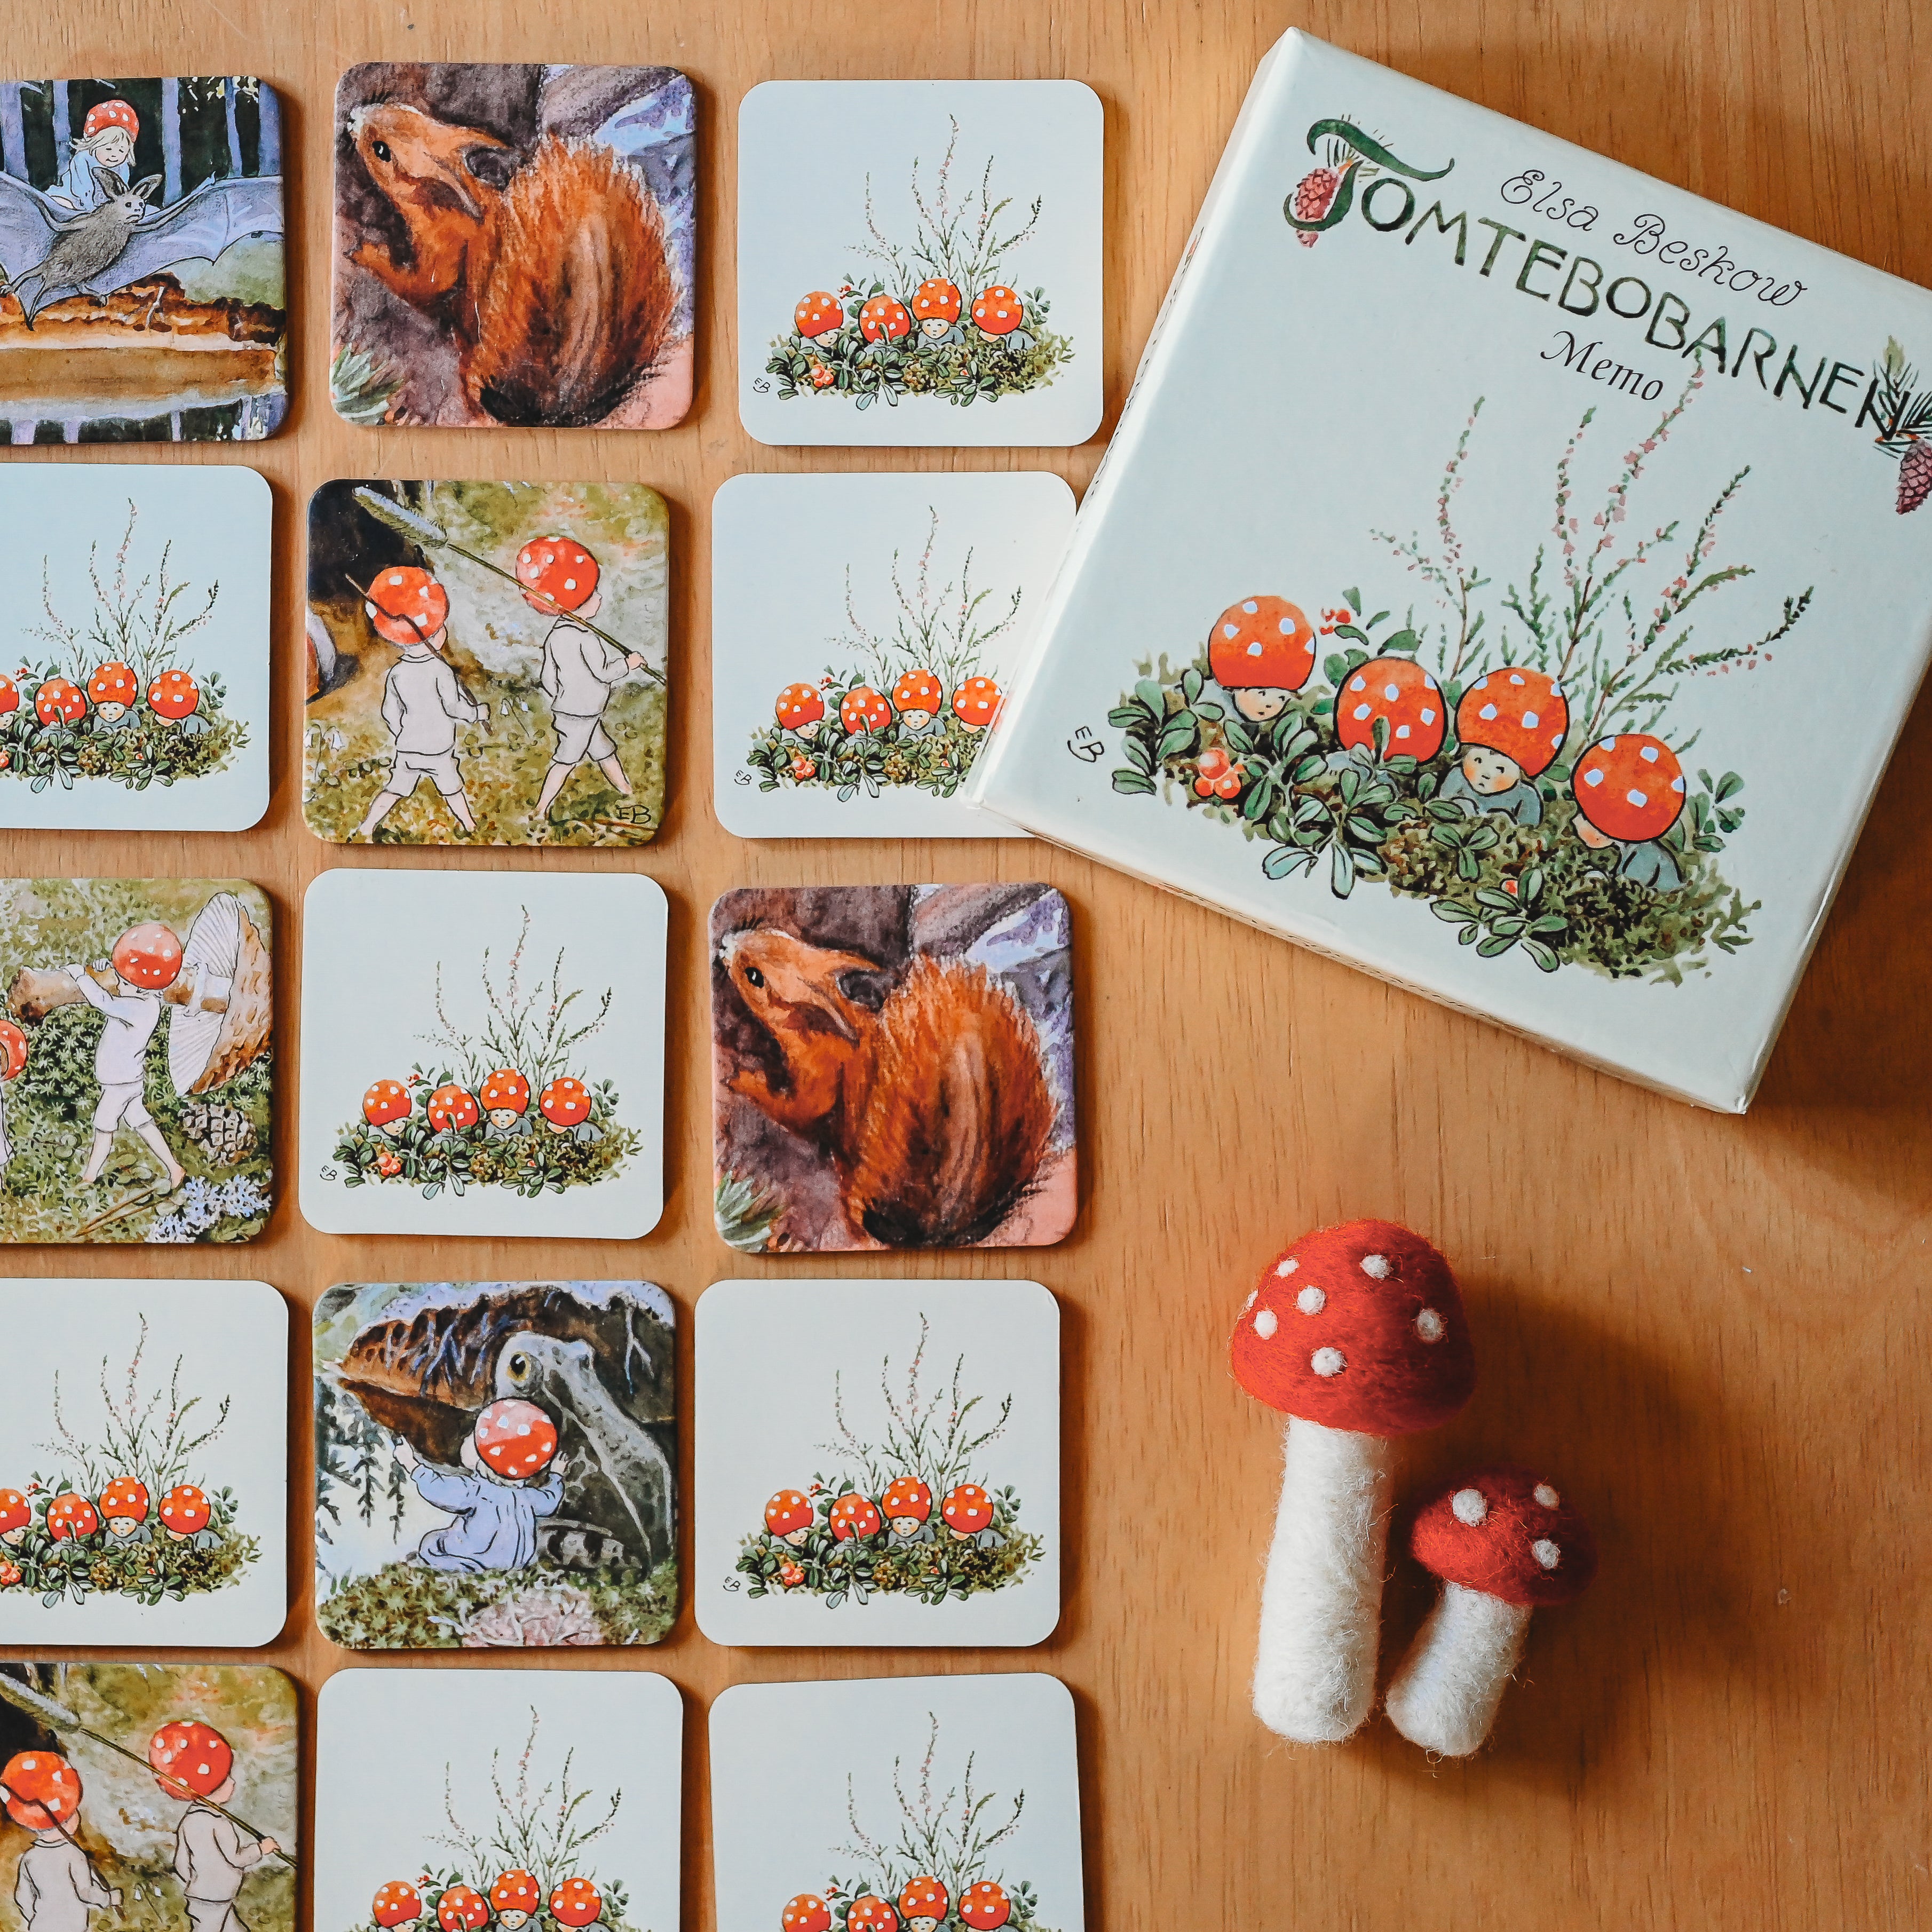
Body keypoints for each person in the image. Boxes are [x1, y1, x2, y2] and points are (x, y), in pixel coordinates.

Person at [354, 566, 487, 840]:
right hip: (437, 748)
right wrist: (476, 713)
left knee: (395, 789)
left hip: (408, 747)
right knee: (452, 788)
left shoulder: (397, 672)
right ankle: (470, 826)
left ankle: (367, 826)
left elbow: (390, 712)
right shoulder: (441, 671)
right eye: (441, 628)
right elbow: (453, 708)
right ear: (436, 635)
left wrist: (403, 733)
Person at [519, 538, 647, 821]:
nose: (599, 599)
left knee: (604, 751)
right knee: (565, 761)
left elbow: (548, 678)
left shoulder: (555, 635)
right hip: (581, 713)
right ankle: (540, 810)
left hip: (573, 710)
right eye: (593, 596)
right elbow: (603, 672)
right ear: (579, 605)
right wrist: (630, 664)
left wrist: (561, 699)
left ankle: (627, 790)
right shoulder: (586, 638)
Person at [65, 924, 185, 1193]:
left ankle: (88, 1178)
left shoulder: (136, 1008)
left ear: (142, 989)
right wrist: (105, 968)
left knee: (103, 1127)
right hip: (128, 1080)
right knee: (142, 1122)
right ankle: (175, 1168)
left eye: (124, 981)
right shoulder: (149, 1001)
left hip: (118, 1084)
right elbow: (120, 987)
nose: (118, 984)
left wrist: (80, 976)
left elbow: (104, 1002)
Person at [394, 1398, 565, 1574]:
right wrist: (556, 1476)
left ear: (484, 1455)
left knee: (432, 1543)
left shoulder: (477, 1490)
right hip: (514, 1563)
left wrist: (412, 1465)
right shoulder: (526, 1496)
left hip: (471, 1558)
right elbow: (550, 1502)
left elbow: (440, 1490)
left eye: (473, 1437)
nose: (466, 1440)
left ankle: (427, 1562)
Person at [154, 1724, 278, 1932]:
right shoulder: (218, 1822)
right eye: (226, 1778)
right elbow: (236, 1858)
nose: (233, 1782)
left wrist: (197, 1882)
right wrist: (261, 1849)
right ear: (213, 1789)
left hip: (205, 1895)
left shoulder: (188, 1821)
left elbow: (181, 1862)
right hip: (216, 1896)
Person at [2, 1769, 120, 1932]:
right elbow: (85, 1892)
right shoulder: (73, 1854)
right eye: (74, 1813)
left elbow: (22, 1897)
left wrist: (36, 1919)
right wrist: (109, 1898)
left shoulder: (29, 1857)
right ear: (67, 1822)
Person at [49, 100, 140, 213]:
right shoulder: (83, 159)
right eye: (108, 149)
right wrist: (89, 208)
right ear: (94, 145)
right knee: (61, 206)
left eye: (121, 150)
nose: (114, 155)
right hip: (75, 198)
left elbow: (122, 190)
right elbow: (82, 188)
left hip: (103, 204)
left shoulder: (123, 165)